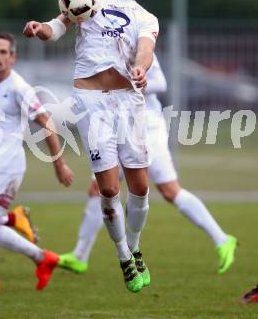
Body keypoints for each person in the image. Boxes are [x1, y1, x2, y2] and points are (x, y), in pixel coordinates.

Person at [23, 0, 159, 293]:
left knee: (140, 188)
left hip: (128, 101)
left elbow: (146, 49)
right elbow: (58, 27)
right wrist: (41, 29)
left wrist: (141, 67)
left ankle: (136, 245)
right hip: (91, 101)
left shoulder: (146, 18)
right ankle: (124, 257)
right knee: (109, 189)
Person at [58, 55, 238, 275]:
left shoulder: (139, 46)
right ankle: (80, 255)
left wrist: (132, 82)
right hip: (118, 124)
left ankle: (222, 239)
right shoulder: (104, 46)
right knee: (99, 188)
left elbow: (161, 82)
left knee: (169, 190)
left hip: (146, 125)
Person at [0, 32, 74, 293]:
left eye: (3, 52)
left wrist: (59, 164)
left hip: (7, 164)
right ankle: (43, 258)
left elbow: (47, 123)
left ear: (13, 57)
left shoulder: (19, 88)